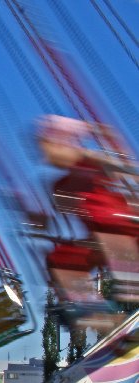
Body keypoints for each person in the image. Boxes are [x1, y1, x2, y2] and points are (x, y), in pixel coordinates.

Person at [34, 115, 139, 328]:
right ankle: (95, 311)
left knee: (109, 228)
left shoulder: (90, 164)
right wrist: (39, 222)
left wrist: (91, 131)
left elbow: (121, 163)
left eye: (51, 149)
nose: (48, 157)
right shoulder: (59, 185)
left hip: (126, 229)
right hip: (100, 241)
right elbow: (56, 217)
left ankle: (132, 289)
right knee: (58, 258)